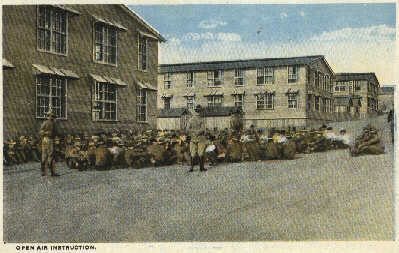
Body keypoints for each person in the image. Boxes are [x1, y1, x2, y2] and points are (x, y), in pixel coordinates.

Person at [187, 105, 208, 172]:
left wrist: (193, 133)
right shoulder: (202, 120)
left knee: (192, 153)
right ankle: (201, 168)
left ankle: (191, 168)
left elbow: (187, 129)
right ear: (200, 111)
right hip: (200, 138)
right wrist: (197, 132)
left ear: (195, 111)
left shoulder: (190, 120)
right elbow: (203, 129)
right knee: (201, 153)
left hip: (193, 138)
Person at [39, 111, 60, 177]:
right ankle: (47, 172)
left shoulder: (49, 123)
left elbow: (41, 132)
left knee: (47, 155)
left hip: (48, 140)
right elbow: (41, 132)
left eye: (53, 117)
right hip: (48, 140)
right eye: (52, 116)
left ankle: (47, 172)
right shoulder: (48, 123)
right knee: (47, 155)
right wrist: (47, 133)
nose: (52, 118)